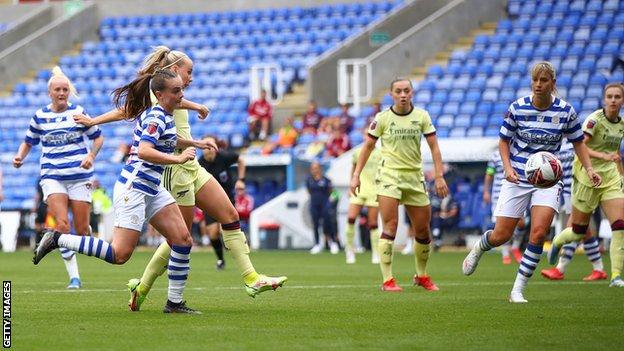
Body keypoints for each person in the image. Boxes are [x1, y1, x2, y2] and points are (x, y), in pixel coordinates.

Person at [73, 47, 286, 310]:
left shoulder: (174, 94)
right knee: (180, 239)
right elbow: (127, 112)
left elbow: (171, 106)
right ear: (175, 71)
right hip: (175, 170)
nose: (191, 78)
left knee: (230, 216)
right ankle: (144, 287)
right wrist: (93, 120)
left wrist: (196, 111)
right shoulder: (159, 98)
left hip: (191, 165)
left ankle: (251, 278)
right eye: (189, 72)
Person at [33, 69, 205, 313]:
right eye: (176, 91)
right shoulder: (157, 117)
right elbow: (145, 150)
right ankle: (57, 239)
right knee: (120, 254)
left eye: (182, 90)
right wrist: (178, 160)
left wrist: (195, 143)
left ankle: (174, 303)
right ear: (160, 94)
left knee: (183, 240)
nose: (181, 95)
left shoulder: (163, 115)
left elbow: (169, 140)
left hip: (151, 187)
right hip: (134, 187)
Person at [462, 61, 602, 303]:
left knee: (538, 233)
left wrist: (589, 169)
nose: (538, 84)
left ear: (553, 84)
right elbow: (504, 141)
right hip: (516, 176)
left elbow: (579, 142)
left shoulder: (566, 112)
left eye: (544, 80)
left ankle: (517, 289)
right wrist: (506, 168)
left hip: (548, 181)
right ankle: (480, 247)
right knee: (501, 235)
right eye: (535, 80)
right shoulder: (518, 108)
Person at [350, 77, 449, 292]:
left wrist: (439, 175)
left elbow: (435, 148)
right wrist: (356, 174)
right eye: (398, 91)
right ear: (391, 94)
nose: (403, 95)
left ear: (412, 93)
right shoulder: (382, 118)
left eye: (406, 91)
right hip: (389, 177)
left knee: (423, 230)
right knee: (391, 226)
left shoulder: (422, 116)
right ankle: (387, 280)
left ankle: (421, 275)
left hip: (415, 178)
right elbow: (367, 147)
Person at [13, 67, 104, 289]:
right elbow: (29, 141)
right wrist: (20, 156)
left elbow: (98, 138)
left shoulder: (79, 113)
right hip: (52, 176)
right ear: (50, 93)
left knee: (82, 231)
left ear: (69, 92)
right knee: (62, 225)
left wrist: (91, 156)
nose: (62, 93)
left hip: (79, 176)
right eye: (58, 90)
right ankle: (74, 278)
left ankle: (87, 237)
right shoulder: (40, 116)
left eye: (65, 89)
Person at [549, 83, 624, 287]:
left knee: (620, 225)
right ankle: (557, 242)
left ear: (622, 100)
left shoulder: (621, 124)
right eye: (609, 96)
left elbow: (616, 155)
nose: (613, 100)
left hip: (609, 179)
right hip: (586, 176)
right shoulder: (593, 121)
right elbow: (580, 147)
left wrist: (621, 174)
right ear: (604, 99)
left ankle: (616, 275)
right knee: (578, 230)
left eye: (617, 96)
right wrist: (603, 156)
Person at [541, 141, 607, 281]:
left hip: (582, 189)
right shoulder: (558, 141)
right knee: (584, 232)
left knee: (573, 228)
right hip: (567, 191)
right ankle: (599, 269)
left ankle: (560, 268)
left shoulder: (579, 141)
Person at [197, 135, 246, 270]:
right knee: (212, 233)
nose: (210, 150)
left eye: (212, 147)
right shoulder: (199, 165)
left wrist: (242, 179)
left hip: (227, 199)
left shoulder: (224, 157)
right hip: (209, 202)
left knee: (224, 229)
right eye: (207, 147)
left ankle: (240, 254)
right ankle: (220, 259)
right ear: (202, 149)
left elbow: (241, 160)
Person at [483, 151, 524, 264]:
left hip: (517, 193)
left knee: (521, 223)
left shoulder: (520, 152)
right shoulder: (495, 155)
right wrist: (486, 191)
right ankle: (505, 253)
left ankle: (515, 247)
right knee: (501, 226)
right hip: (498, 194)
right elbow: (489, 174)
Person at [345, 142, 381, 264]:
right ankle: (349, 250)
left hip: (374, 191)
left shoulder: (381, 153)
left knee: (373, 223)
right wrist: (351, 184)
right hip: (359, 190)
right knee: (351, 218)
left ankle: (376, 253)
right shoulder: (358, 152)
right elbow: (353, 169)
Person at [307, 161, 340, 254]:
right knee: (315, 225)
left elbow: (332, 192)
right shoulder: (309, 180)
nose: (314, 170)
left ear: (320, 169)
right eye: (313, 168)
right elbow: (309, 191)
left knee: (328, 224)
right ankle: (317, 244)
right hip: (314, 205)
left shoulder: (326, 180)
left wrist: (331, 203)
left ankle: (333, 243)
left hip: (325, 205)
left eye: (316, 168)